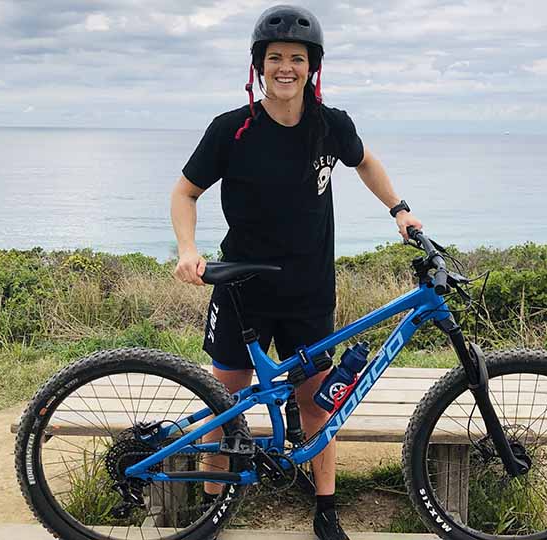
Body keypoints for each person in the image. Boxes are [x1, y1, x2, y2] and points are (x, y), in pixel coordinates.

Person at [171, 5, 422, 539]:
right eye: (275, 58)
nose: (286, 67)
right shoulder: (232, 131)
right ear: (259, 67)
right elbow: (184, 192)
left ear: (313, 68)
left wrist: (399, 209)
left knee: (316, 400)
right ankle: (213, 510)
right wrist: (188, 247)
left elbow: (366, 163)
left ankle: (326, 507)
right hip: (242, 289)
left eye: (297, 59)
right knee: (227, 403)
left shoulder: (330, 126)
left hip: (309, 291)